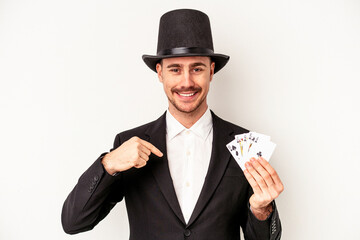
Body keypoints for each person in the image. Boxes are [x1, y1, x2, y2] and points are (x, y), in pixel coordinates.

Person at [62, 9, 284, 240]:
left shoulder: (244, 144)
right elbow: (73, 223)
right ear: (160, 73)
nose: (186, 82)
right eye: (175, 69)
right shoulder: (128, 144)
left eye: (197, 68)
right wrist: (108, 164)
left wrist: (261, 210)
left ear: (211, 71)